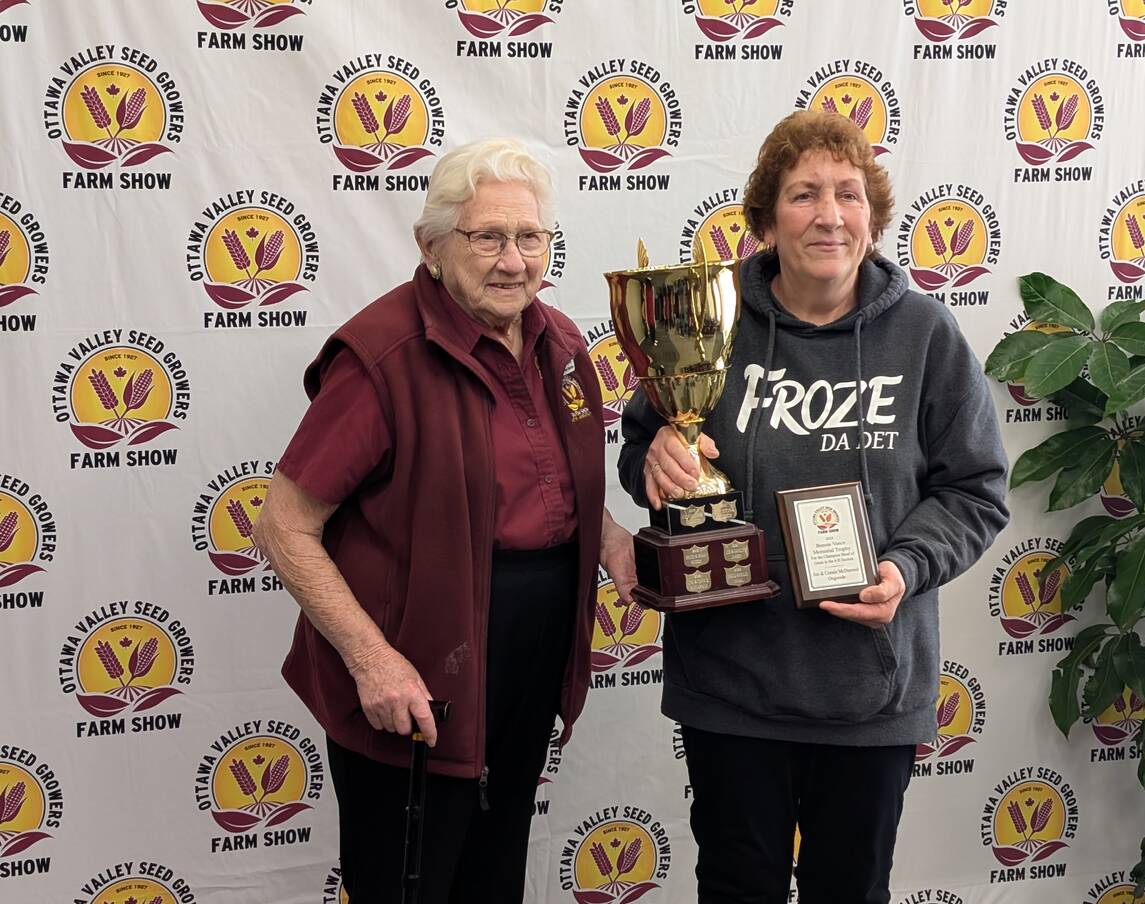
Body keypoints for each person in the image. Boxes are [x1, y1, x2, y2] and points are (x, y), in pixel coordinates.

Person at [617, 110, 1009, 904]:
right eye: (803, 195)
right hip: (733, 684)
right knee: (736, 887)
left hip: (871, 689)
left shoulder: (927, 335)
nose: (830, 215)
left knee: (852, 890)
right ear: (765, 220)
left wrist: (904, 568)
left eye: (849, 194)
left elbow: (974, 490)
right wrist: (656, 456)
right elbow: (645, 450)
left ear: (873, 214)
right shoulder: (707, 316)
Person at [255, 137, 636, 904]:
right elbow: (283, 526)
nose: (512, 260)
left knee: (494, 874)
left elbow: (545, 479)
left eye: (530, 237)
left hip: (528, 659)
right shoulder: (383, 356)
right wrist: (374, 662)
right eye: (488, 237)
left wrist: (619, 544)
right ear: (431, 247)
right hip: (418, 678)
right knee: (409, 882)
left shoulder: (558, 341)